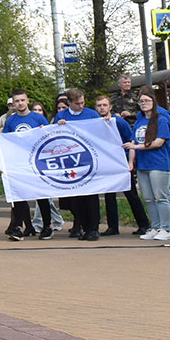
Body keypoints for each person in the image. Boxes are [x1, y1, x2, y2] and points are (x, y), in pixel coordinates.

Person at [0, 92, 57, 239]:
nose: (20, 103)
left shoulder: (38, 118)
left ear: (27, 101)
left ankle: (47, 226)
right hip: (19, 163)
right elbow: (6, 141)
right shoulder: (11, 121)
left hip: (37, 161)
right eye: (17, 101)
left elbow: (48, 137)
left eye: (22, 100)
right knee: (19, 195)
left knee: (41, 195)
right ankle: (18, 227)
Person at [99, 94, 150, 237]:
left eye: (104, 105)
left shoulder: (119, 122)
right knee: (109, 195)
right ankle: (112, 226)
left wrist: (130, 160)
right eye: (99, 105)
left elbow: (130, 140)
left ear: (110, 107)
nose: (102, 108)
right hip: (107, 164)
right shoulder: (96, 123)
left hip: (122, 162)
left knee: (131, 193)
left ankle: (143, 224)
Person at [53, 90, 102, 240]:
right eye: (77, 104)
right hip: (71, 162)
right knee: (75, 199)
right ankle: (83, 226)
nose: (81, 106)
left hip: (88, 160)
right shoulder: (62, 115)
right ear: (69, 103)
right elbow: (56, 137)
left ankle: (93, 228)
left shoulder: (92, 114)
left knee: (91, 197)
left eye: (82, 102)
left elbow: (100, 132)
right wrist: (59, 126)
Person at [130, 92, 170, 240]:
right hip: (142, 164)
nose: (144, 103)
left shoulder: (161, 120)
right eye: (141, 101)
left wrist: (138, 147)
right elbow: (132, 142)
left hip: (158, 163)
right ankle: (156, 226)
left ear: (154, 102)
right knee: (149, 198)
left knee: (160, 196)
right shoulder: (139, 121)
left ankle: (167, 228)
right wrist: (130, 161)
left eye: (147, 100)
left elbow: (159, 142)